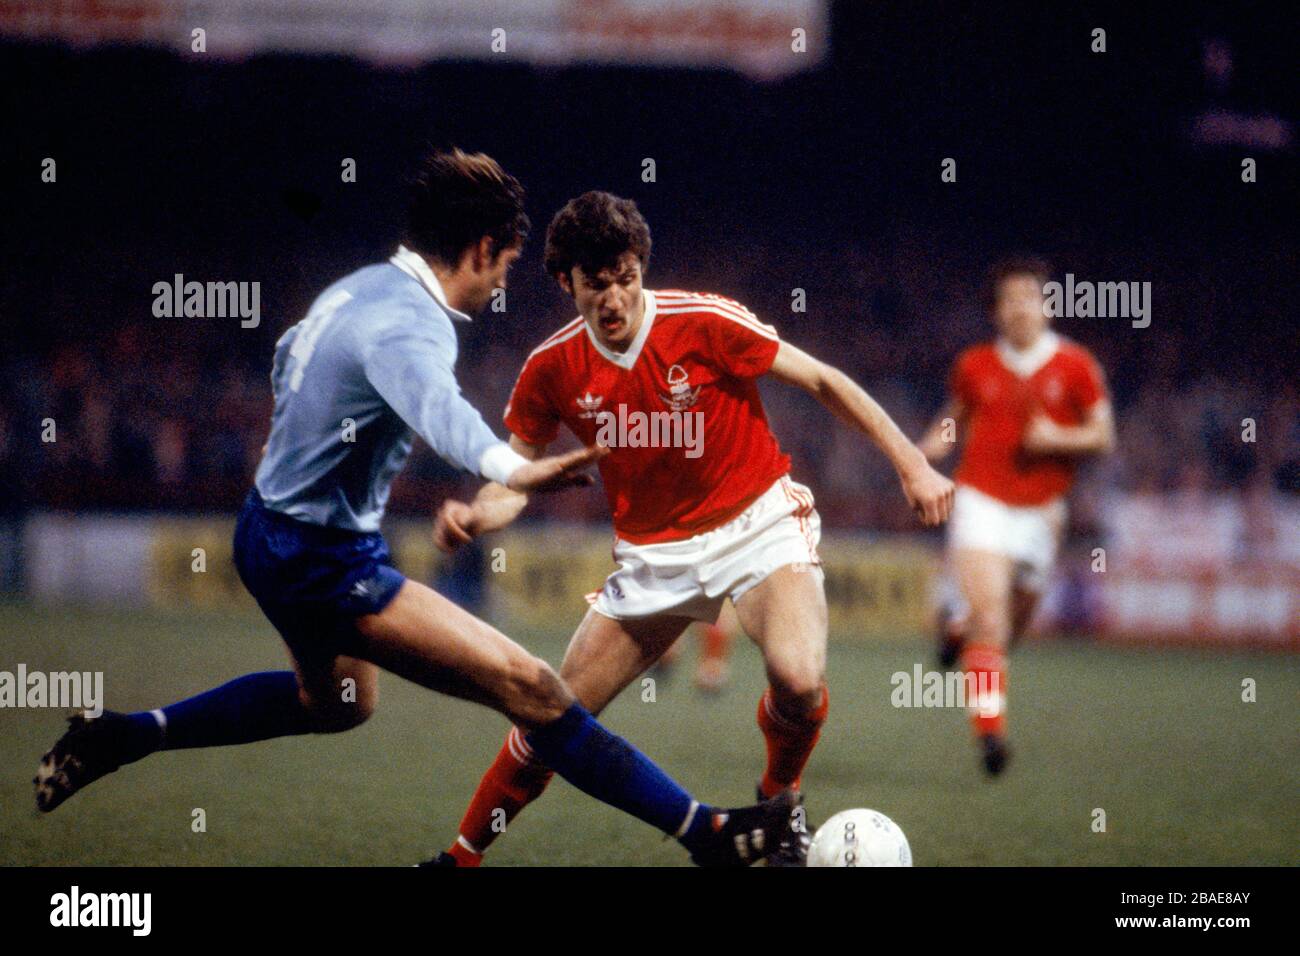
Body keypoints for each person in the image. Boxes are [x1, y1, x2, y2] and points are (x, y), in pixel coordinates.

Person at [33, 150, 795, 867]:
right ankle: (711, 834)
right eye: (502, 265)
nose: (502, 286)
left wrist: (294, 443)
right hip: (325, 562)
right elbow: (440, 410)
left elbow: (291, 349)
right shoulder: (413, 322)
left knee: (335, 703)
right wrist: (513, 469)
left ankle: (124, 736)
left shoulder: (356, 288)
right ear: (478, 249)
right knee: (533, 690)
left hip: (264, 535)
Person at [429, 191, 954, 866]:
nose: (615, 297)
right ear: (567, 283)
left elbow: (821, 380)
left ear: (640, 268)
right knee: (546, 716)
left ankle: (779, 801)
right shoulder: (550, 369)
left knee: (798, 681)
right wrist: (478, 515)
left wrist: (911, 464)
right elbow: (514, 477)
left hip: (758, 523)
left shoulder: (703, 321)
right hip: (654, 559)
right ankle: (460, 858)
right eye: (597, 284)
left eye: (627, 278)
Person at [917, 257, 1114, 774]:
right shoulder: (975, 364)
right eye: (1009, 299)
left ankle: (956, 632)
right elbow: (954, 419)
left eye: (1031, 296)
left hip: (1042, 514)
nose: (1021, 308)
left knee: (1007, 635)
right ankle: (991, 736)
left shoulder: (1075, 366)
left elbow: (1103, 434)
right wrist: (922, 454)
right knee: (992, 621)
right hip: (981, 500)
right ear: (996, 311)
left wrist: (1058, 437)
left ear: (1049, 304)